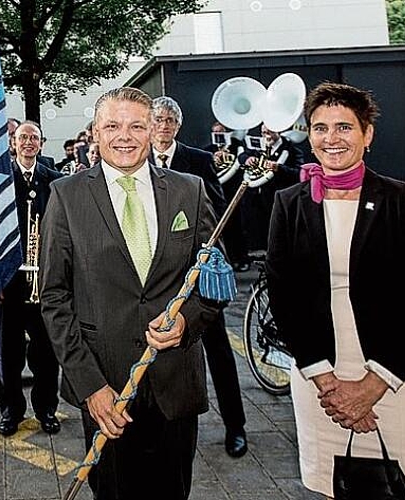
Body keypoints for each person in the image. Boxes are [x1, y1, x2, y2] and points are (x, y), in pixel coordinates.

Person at [266, 82, 405, 499]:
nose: (332, 138)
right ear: (308, 135)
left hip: (399, 373)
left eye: (344, 127)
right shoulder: (290, 203)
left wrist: (371, 386)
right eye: (320, 127)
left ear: (367, 134)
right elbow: (283, 296)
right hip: (319, 378)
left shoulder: (404, 200)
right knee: (336, 488)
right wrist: (329, 385)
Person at [40, 87, 220, 499]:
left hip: (174, 383)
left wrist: (187, 320)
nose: (125, 135)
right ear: (95, 134)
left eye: (137, 125)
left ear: (152, 129)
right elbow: (54, 297)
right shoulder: (66, 195)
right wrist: (90, 387)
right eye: (113, 126)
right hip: (105, 387)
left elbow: (214, 279)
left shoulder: (188, 190)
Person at [150, 96, 248, 458]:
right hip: (155, 278)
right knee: (158, 353)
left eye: (168, 120)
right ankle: (162, 425)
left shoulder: (199, 160)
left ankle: (236, 426)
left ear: (177, 125)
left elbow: (217, 213)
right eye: (157, 120)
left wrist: (207, 253)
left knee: (219, 351)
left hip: (196, 274)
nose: (162, 126)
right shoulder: (136, 160)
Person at [0, 120, 64, 437]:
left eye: (33, 138)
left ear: (41, 143)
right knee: (8, 352)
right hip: (9, 283)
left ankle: (46, 409)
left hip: (44, 281)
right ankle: (11, 410)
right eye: (22, 137)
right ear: (13, 142)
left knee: (46, 353)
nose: (27, 143)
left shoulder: (54, 180)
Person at [238, 123, 305, 251]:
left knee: (278, 231)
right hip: (256, 198)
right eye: (264, 133)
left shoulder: (291, 149)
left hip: (277, 198)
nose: (266, 136)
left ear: (278, 131)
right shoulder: (257, 145)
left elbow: (299, 174)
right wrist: (247, 159)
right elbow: (242, 156)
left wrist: (279, 168)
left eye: (269, 132)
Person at [202, 121, 250, 272]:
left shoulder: (236, 146)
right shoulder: (209, 150)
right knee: (223, 228)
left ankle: (242, 259)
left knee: (238, 227)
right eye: (216, 132)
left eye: (221, 132)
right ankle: (228, 259)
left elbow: (243, 160)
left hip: (234, 193)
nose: (219, 135)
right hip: (217, 195)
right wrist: (213, 158)